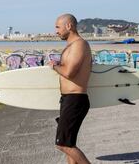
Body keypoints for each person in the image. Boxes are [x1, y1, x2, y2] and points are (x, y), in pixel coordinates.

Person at [49, 13, 92, 164]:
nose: (56, 31)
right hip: (68, 99)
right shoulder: (71, 46)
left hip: (75, 100)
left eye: (57, 27)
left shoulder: (79, 44)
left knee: (63, 144)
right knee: (69, 143)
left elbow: (69, 72)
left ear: (69, 26)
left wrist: (54, 66)